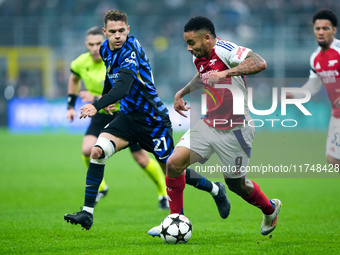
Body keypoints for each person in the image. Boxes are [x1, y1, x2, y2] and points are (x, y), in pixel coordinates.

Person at [64, 10, 230, 230]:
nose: (117, 35)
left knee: (172, 170)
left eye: (121, 31)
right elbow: (110, 76)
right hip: (127, 118)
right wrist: (107, 98)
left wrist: (97, 105)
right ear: (105, 32)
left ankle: (215, 190)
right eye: (112, 31)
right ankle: (87, 213)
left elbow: (123, 86)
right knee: (97, 151)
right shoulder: (105, 49)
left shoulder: (130, 50)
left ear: (128, 30)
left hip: (153, 121)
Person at [148, 16, 282, 237]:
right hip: (208, 125)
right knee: (173, 164)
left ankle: (270, 208)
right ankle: (175, 221)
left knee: (237, 185)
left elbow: (260, 63)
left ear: (207, 38)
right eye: (186, 43)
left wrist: (224, 73)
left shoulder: (225, 50)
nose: (189, 48)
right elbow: (202, 77)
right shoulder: (198, 56)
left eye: (191, 42)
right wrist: (182, 92)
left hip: (236, 130)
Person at [66, 26, 169, 209]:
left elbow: (123, 87)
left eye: (98, 43)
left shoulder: (122, 54)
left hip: (123, 112)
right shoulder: (82, 62)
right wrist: (70, 105)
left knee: (143, 159)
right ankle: (101, 188)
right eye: (91, 44)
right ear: (86, 45)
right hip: (100, 112)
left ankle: (163, 193)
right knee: (89, 150)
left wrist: (96, 100)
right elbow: (75, 79)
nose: (95, 48)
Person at [286, 9, 340, 169]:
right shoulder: (316, 57)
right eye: (318, 29)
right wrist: (295, 94)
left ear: (334, 30)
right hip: (336, 115)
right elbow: (314, 86)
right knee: (332, 159)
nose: (321, 32)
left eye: (325, 28)